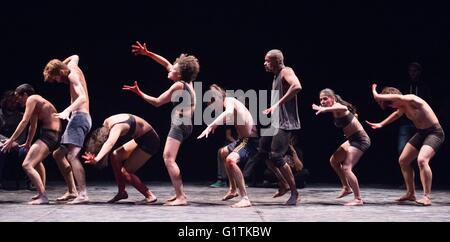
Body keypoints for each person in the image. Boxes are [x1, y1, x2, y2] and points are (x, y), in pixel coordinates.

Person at [123, 41, 199, 206]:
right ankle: (179, 194)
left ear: (180, 74)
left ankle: (181, 197)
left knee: (168, 158)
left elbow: (157, 102)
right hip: (185, 125)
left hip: (180, 125)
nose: (170, 68)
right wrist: (148, 53)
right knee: (170, 158)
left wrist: (139, 93)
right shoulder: (186, 82)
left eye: (174, 69)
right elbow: (165, 63)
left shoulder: (178, 85)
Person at [366, 84, 445, 206]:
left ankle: (426, 196)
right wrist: (382, 124)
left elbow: (398, 98)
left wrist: (375, 93)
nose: (391, 107)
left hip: (434, 133)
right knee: (403, 160)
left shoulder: (412, 99)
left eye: (391, 103)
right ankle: (410, 193)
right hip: (421, 133)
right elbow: (397, 114)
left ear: (395, 98)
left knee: (422, 160)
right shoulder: (402, 107)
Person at [253, 49, 301, 205]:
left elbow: (297, 86)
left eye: (268, 60)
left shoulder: (286, 71)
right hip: (275, 122)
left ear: (277, 61)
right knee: (262, 153)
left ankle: (294, 192)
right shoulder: (275, 77)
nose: (264, 63)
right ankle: (284, 184)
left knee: (276, 156)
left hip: (285, 122)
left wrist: (277, 104)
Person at [198, 84, 259, 208]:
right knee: (223, 152)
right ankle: (233, 189)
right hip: (243, 140)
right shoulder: (231, 102)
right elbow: (231, 117)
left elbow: (229, 112)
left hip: (249, 141)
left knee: (230, 160)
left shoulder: (229, 101)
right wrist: (215, 125)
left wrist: (211, 125)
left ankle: (245, 198)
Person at [1, 84, 61, 204]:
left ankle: (43, 196)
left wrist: (11, 140)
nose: (17, 101)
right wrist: (28, 143)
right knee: (36, 162)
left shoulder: (32, 99)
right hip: (52, 135)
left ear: (25, 95)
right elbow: (32, 126)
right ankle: (41, 192)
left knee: (27, 165)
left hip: (49, 135)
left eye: (18, 97)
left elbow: (24, 121)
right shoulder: (37, 103)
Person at [43, 55, 92, 204]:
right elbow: (75, 56)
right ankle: (72, 191)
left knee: (72, 156)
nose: (57, 82)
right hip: (80, 118)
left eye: (56, 78)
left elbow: (82, 97)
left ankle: (82, 194)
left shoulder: (72, 75)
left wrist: (66, 111)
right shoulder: (71, 66)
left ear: (61, 72)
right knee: (58, 154)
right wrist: (58, 65)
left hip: (79, 118)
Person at [82, 114, 160, 204]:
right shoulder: (106, 122)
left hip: (150, 141)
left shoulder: (116, 127)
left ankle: (149, 195)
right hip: (140, 138)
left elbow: (110, 143)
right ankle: (121, 192)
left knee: (126, 172)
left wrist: (97, 159)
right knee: (115, 156)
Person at [312, 89, 371, 206]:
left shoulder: (338, 106)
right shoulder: (334, 109)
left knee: (346, 168)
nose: (322, 101)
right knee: (334, 160)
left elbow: (344, 109)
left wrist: (324, 109)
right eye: (321, 100)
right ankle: (346, 187)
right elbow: (352, 116)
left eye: (325, 99)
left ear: (332, 99)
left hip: (360, 140)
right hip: (352, 139)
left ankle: (358, 199)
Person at [397, 62, 432, 155]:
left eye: (415, 71)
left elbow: (428, 104)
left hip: (420, 124)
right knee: (402, 149)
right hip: (406, 122)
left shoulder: (424, 87)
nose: (412, 73)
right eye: (410, 71)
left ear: (419, 72)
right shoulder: (404, 86)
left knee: (421, 151)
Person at [0, 91, 28, 189]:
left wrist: (15, 143)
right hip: (2, 143)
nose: (12, 104)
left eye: (14, 102)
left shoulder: (21, 116)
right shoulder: (0, 114)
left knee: (25, 152)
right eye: (10, 101)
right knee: (1, 152)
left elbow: (23, 134)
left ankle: (28, 182)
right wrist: (5, 142)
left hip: (16, 144)